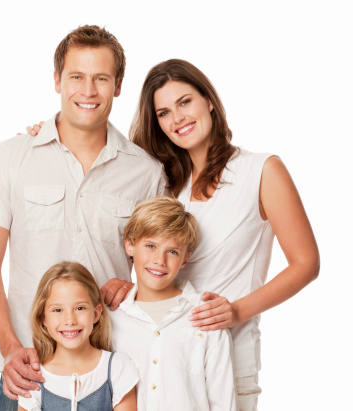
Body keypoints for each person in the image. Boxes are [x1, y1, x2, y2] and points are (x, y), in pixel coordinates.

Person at [27, 59, 320, 410]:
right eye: (164, 112)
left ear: (209, 100)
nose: (177, 118)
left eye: (185, 102)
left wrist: (236, 312)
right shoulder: (165, 183)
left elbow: (306, 263)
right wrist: (42, 140)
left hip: (227, 358)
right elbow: (145, 244)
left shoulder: (261, 170)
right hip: (149, 358)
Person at [0, 25, 166, 409]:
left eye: (101, 78)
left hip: (109, 378)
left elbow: (160, 268)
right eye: (77, 77)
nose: (88, 91)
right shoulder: (11, 158)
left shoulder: (145, 173)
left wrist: (135, 288)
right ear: (58, 79)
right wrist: (11, 349)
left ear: (119, 85)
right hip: (26, 375)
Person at [110, 196, 238, 410]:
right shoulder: (112, 319)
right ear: (130, 245)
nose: (160, 260)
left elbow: (223, 401)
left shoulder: (206, 317)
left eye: (172, 252)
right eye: (150, 245)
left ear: (185, 259)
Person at [18, 262, 138, 411]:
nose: (70, 320)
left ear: (96, 313)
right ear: (43, 319)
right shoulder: (33, 378)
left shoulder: (118, 367)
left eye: (80, 308)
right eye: (57, 310)